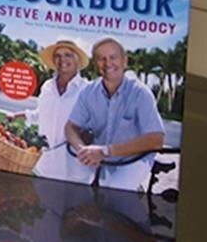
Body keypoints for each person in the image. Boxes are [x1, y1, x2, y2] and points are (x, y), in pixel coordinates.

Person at [64, 38, 166, 192]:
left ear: (124, 61)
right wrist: (82, 150)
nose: (108, 63)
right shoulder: (88, 92)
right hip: (98, 157)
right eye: (101, 59)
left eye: (113, 57)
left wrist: (105, 151)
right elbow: (71, 127)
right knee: (73, 186)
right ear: (96, 64)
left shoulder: (140, 93)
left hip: (134, 158)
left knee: (115, 192)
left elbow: (156, 139)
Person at [31, 39, 89, 182]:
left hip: (75, 168)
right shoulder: (47, 86)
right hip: (45, 165)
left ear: (77, 61)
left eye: (68, 55)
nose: (62, 59)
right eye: (57, 55)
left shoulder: (87, 90)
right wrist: (19, 115)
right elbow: (42, 114)